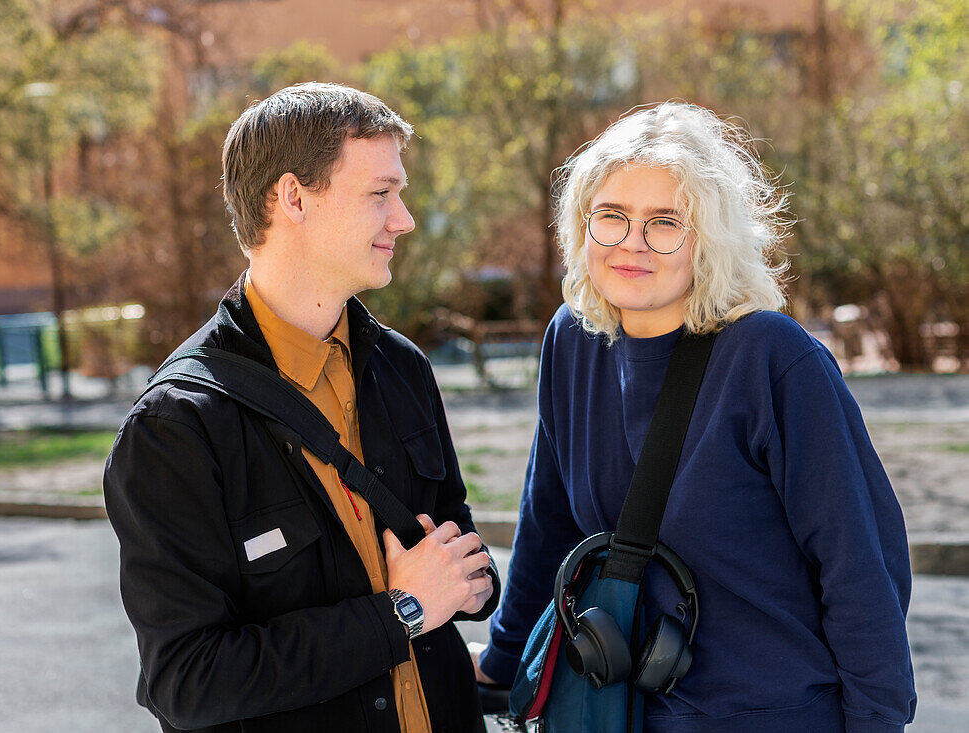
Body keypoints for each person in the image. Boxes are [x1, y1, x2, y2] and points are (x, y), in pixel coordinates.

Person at [473, 102, 916, 732]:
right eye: (612, 217)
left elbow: (861, 568)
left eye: (665, 223)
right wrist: (502, 659)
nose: (632, 242)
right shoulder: (572, 341)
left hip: (768, 715)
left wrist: (877, 723)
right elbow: (547, 521)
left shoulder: (773, 359)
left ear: (709, 241)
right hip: (617, 712)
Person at [104, 82, 498, 733]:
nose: (404, 218)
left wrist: (471, 583)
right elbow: (187, 680)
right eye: (380, 193)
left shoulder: (404, 369)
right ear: (293, 198)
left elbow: (457, 540)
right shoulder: (175, 428)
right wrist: (400, 610)